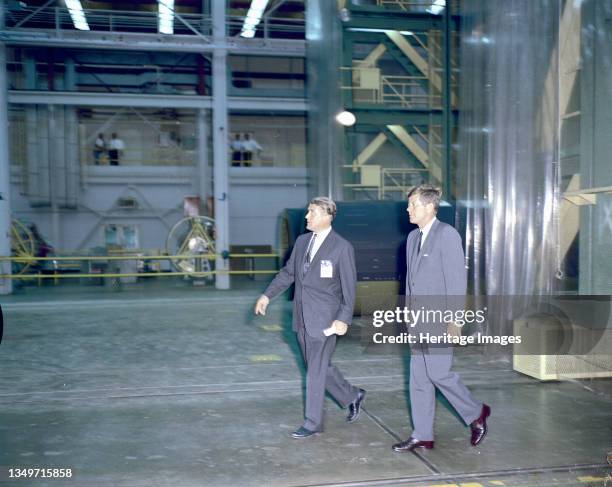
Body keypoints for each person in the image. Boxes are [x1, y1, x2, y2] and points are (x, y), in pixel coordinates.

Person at [254, 197, 366, 439]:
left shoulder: (341, 247)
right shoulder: (303, 241)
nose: (307, 217)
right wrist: (267, 295)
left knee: (315, 372)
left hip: (326, 320)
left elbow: (349, 287)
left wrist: (343, 318)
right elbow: (288, 273)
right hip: (302, 317)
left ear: (327, 216)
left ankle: (313, 422)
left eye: (312, 212)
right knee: (319, 367)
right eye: (308, 212)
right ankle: (352, 395)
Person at [392, 184, 491, 452]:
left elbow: (457, 281)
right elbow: (411, 284)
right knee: (419, 379)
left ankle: (476, 412)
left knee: (439, 373)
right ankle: (422, 434)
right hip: (417, 321)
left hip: (437, 319)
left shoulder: (447, 235)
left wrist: (455, 321)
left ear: (428, 206)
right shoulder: (413, 238)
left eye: (412, 204)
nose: (408, 209)